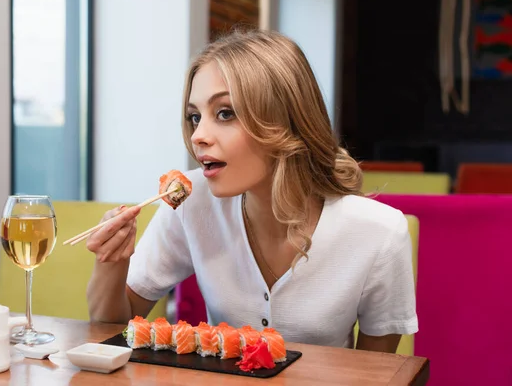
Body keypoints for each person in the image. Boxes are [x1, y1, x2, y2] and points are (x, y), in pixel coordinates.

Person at [86, 29, 418, 353]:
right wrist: (112, 260)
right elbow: (112, 327)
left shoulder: (380, 232)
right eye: (194, 117)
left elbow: (375, 374)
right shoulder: (191, 201)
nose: (198, 135)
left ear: (286, 121)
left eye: (225, 113)